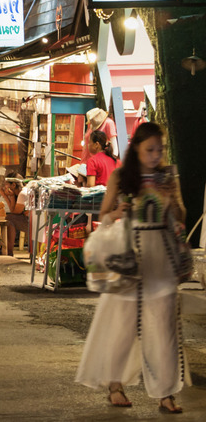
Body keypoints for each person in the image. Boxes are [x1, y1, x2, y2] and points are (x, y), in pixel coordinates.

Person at [76, 122, 190, 414]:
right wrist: (116, 212)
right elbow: (104, 215)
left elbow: (179, 214)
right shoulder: (120, 176)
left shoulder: (167, 177)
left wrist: (173, 200)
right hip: (128, 258)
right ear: (136, 148)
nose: (156, 154)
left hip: (161, 259)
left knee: (164, 328)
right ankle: (116, 385)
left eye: (160, 149)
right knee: (123, 327)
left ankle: (166, 393)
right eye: (150, 149)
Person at [0, 172, 30, 257]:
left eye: (6, 185)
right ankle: (8, 251)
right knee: (10, 218)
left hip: (32, 223)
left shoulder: (22, 194)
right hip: (30, 220)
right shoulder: (23, 191)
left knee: (9, 219)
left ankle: (9, 251)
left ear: (13, 185)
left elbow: (14, 211)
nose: (4, 187)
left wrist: (7, 196)